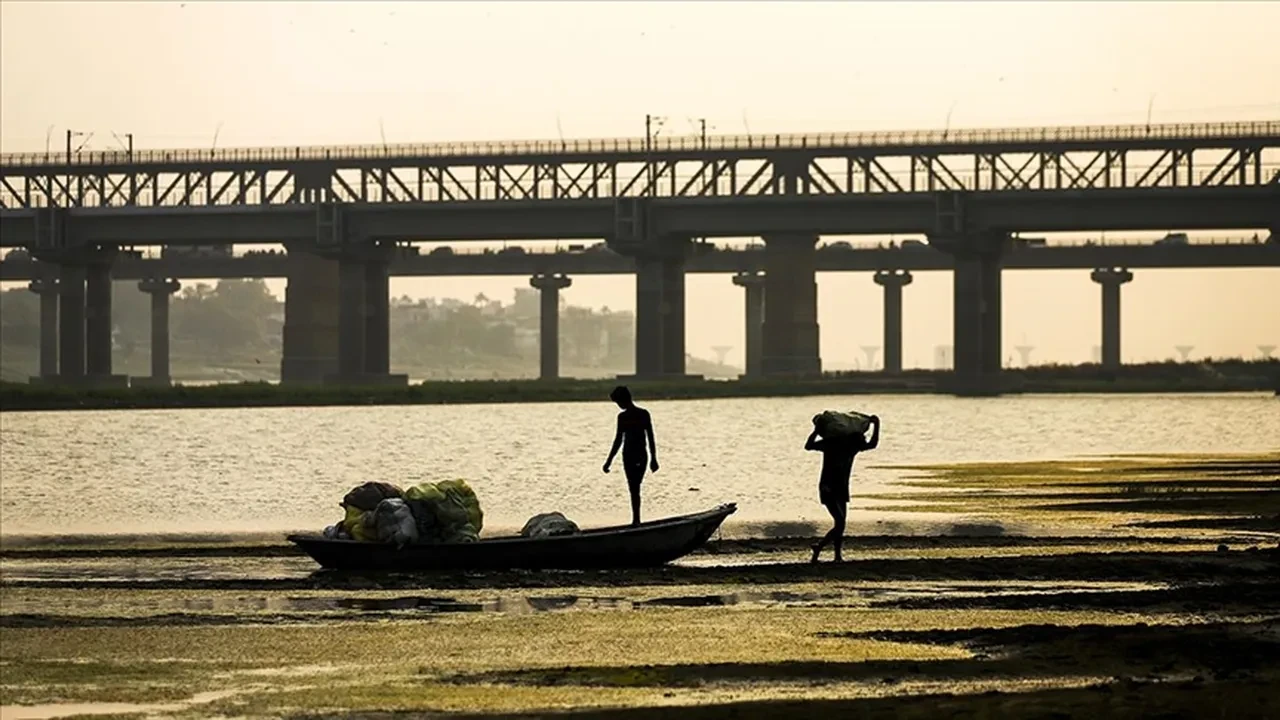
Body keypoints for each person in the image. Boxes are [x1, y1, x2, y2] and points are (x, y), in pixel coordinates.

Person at [804, 414, 880, 563]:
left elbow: (872, 444)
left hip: (840, 488)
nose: (864, 440)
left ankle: (836, 555)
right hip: (828, 487)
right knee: (840, 523)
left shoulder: (850, 446)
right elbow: (808, 446)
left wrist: (877, 425)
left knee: (841, 523)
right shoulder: (833, 444)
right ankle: (819, 547)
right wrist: (816, 430)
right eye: (861, 437)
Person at [602, 386, 658, 525]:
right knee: (633, 487)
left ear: (624, 400)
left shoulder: (643, 414)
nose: (618, 406)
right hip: (627, 455)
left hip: (640, 455)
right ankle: (636, 520)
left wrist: (654, 458)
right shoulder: (622, 417)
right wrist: (608, 461)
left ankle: (636, 520)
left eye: (618, 402)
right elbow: (618, 440)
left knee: (635, 486)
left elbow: (650, 436)